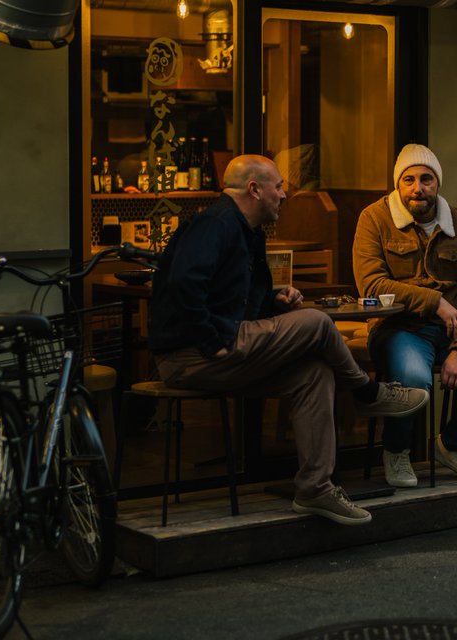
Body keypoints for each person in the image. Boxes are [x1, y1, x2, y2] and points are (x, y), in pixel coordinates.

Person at [149, 154, 429, 526]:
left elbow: (227, 297)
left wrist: (271, 301)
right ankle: (367, 394)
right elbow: (184, 285)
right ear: (254, 189)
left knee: (314, 373)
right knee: (316, 322)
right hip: (193, 355)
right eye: (278, 186)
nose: (284, 194)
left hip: (223, 348)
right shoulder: (215, 225)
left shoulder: (246, 232)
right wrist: (210, 339)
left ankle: (316, 489)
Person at [353, 144, 457, 487]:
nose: (418, 188)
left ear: (437, 183)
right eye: (409, 180)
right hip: (399, 328)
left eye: (426, 179)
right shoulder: (374, 218)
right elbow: (372, 285)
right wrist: (435, 302)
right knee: (415, 382)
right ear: (398, 184)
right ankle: (397, 451)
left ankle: (452, 445)